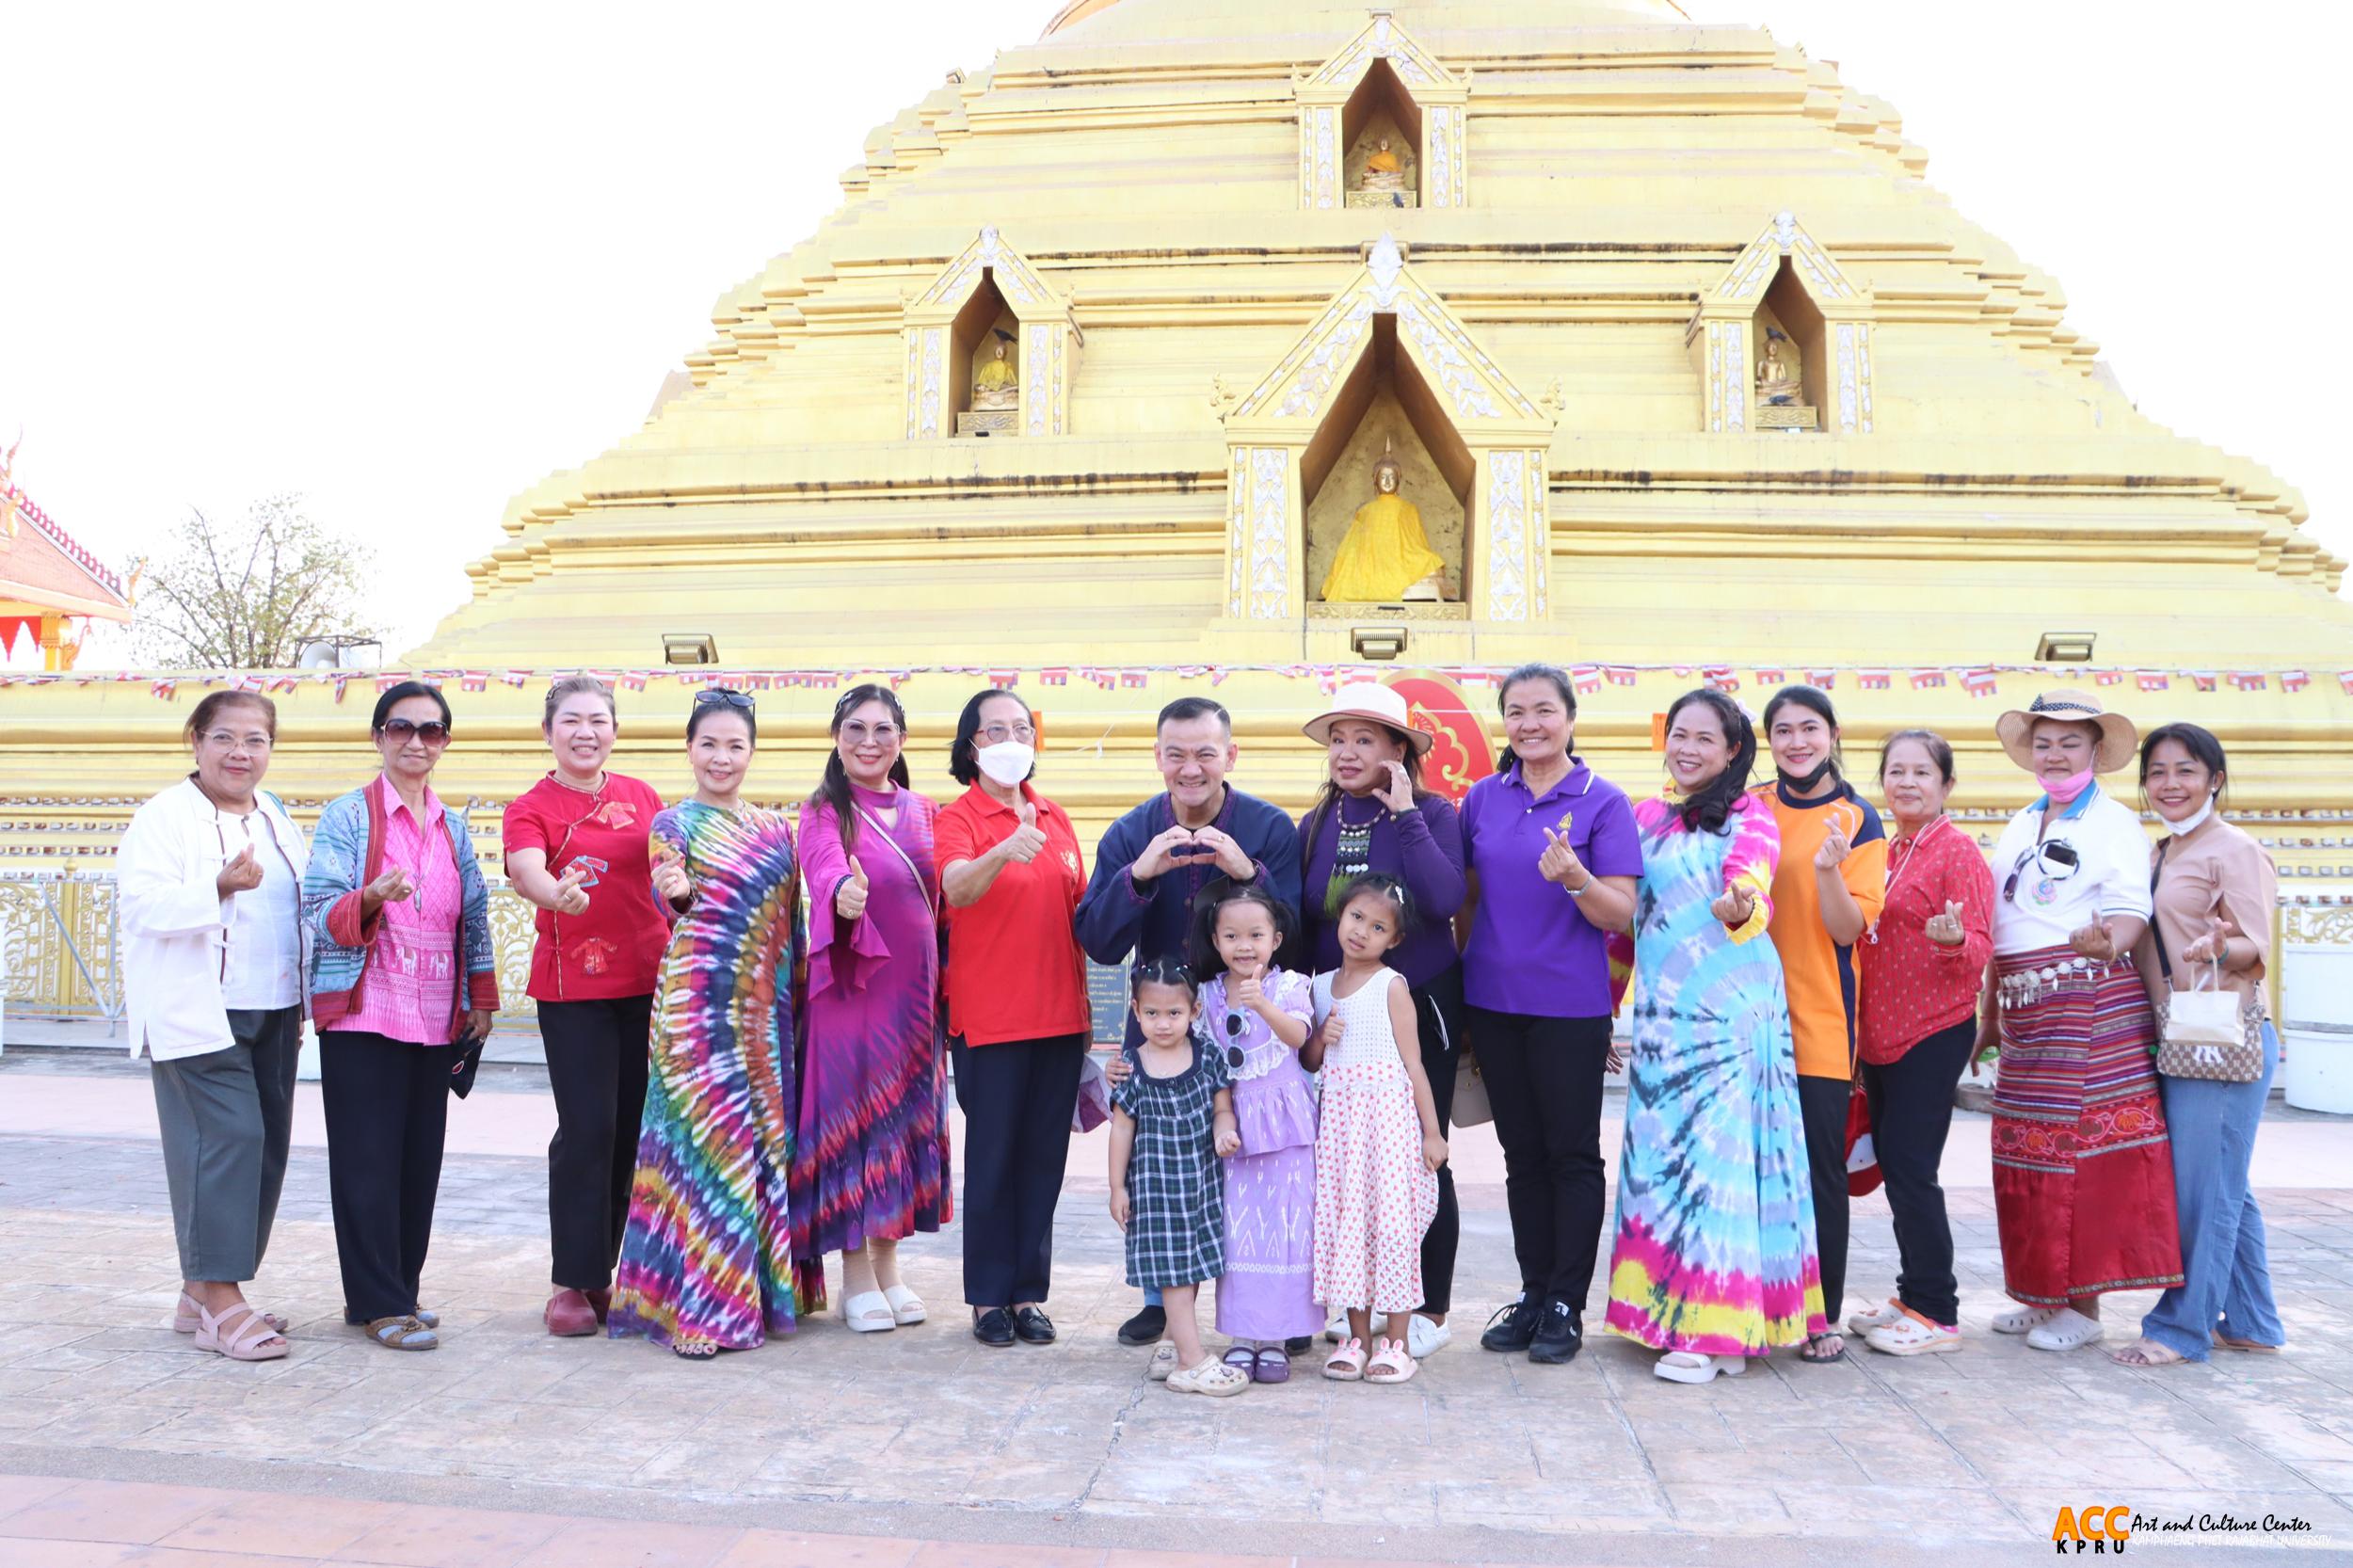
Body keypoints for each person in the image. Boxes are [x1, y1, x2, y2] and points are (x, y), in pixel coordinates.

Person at [1601, 689, 1824, 1384]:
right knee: (1665, 1166)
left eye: (1706, 738)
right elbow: (1624, 926)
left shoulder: (1751, 816)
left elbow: (1750, 884)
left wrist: (1739, 905)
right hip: (1665, 1019)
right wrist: (1606, 1010)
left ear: (1733, 752)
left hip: (1734, 1016)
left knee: (1720, 1169)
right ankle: (1672, 1315)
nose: (1688, 748)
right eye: (1679, 735)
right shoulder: (1642, 819)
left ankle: (1715, 1333)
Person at [1076, 694, 1300, 1349]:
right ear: (1158, 759)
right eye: (1176, 754)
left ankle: (1268, 1299)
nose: (1191, 768)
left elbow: (1298, 928)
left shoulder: (1268, 827)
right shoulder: (1128, 833)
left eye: (1206, 753)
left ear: (1231, 755)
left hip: (1249, 1017)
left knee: (1251, 1157)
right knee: (1159, 1160)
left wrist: (1245, 872)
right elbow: (1100, 941)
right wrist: (1139, 876)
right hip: (1166, 1017)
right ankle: (1161, 1298)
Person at [1982, 690, 2183, 1352]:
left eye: (2070, 742)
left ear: (2096, 752)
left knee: (2082, 1158)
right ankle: (2041, 1296)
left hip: (2089, 999)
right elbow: (2002, 918)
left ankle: (2085, 1308)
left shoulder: (2115, 823)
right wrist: (1987, 1008)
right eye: (2044, 742)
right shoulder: (2019, 824)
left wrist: (2110, 943)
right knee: (2027, 1149)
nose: (2055, 752)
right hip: (2023, 1008)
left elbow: (2131, 913)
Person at [303, 681, 499, 1352]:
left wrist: (481, 998)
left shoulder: (454, 826)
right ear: (378, 737)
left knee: (419, 1162)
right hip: (365, 1011)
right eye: (401, 728)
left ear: (444, 742)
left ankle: (401, 1289)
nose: (416, 742)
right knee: (366, 1162)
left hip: (433, 1014)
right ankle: (376, 1302)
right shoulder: (347, 817)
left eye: (431, 731)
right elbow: (317, 912)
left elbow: (473, 915)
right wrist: (369, 897)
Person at [608, 690, 803, 1358]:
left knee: (763, 1148)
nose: (722, 757)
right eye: (709, 744)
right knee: (710, 1149)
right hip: (695, 1009)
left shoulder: (780, 829)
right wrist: (677, 888)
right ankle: (705, 1312)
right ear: (689, 749)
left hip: (766, 1012)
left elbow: (791, 925)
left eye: (735, 745)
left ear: (751, 753)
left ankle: (762, 1293)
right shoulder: (673, 822)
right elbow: (669, 875)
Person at [1457, 664, 1641, 1367]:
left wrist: (1576, 879)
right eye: (1516, 712)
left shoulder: (1603, 802)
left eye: (1543, 710)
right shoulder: (1482, 798)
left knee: (1571, 1156)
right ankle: (1533, 1292)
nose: (1530, 724)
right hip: (1493, 1002)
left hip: (1569, 1006)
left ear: (1569, 717)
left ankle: (1567, 1301)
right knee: (1521, 1157)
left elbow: (1621, 912)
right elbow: (1467, 902)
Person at [119, 692, 309, 1363]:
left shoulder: (277, 816)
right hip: (196, 1009)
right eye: (224, 738)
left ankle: (199, 1287)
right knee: (227, 1140)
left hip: (275, 1005)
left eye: (255, 740)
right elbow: (141, 907)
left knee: (265, 1149)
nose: (240, 753)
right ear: (195, 741)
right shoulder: (165, 817)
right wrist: (218, 887)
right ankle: (223, 1301)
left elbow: (296, 908)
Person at [1295, 680, 1465, 1359]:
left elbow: (1445, 896)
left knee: (1423, 1157)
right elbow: (1309, 922)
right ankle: (1357, 1307)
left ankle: (1428, 1309)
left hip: (1419, 999)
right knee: (1349, 1161)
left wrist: (1405, 817)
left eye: (1364, 739)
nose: (1346, 752)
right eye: (1338, 739)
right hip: (1340, 1012)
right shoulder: (1315, 824)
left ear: (1399, 750)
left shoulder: (1432, 812)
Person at [502, 674, 670, 1337]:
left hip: (649, 984)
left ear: (614, 731)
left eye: (598, 720)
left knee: (631, 1132)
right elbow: (525, 868)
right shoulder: (531, 805)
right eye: (571, 720)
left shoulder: (643, 797)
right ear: (549, 732)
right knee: (587, 1131)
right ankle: (571, 1281)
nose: (585, 732)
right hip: (576, 990)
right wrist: (553, 895)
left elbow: (671, 865)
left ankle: (607, 1271)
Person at [2112, 724, 2284, 1368]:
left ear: (2214, 777)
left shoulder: (2233, 850)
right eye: (2157, 772)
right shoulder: (2163, 851)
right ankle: (2252, 1320)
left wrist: (2219, 945)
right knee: (2223, 1185)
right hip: (2180, 1037)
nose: (2169, 784)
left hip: (2221, 1040)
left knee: (2204, 1191)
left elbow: (2255, 948)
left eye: (2185, 770)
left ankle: (2181, 1329)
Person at [936, 688, 1090, 1348]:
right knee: (995, 1160)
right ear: (971, 744)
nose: (1010, 739)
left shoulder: (1056, 818)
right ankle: (986, 1300)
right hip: (991, 1021)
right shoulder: (958, 818)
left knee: (1042, 1162)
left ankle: (1028, 1293)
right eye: (993, 729)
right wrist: (1004, 850)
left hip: (1060, 1017)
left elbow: (1080, 912)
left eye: (1021, 728)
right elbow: (956, 888)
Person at [793, 683, 947, 1332]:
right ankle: (855, 1273)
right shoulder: (826, 808)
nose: (869, 742)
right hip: (851, 987)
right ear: (836, 737)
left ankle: (889, 1268)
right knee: (854, 1121)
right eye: (855, 729)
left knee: (900, 1123)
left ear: (902, 741)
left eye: (883, 730)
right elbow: (822, 865)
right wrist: (841, 896)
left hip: (914, 996)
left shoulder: (927, 811)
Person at [1849, 730, 1993, 1356]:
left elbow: (1983, 948)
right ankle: (1911, 1295)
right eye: (1896, 772)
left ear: (1947, 786)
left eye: (1922, 773)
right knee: (1897, 1169)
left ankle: (1938, 1311)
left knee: (1912, 1169)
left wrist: (1952, 940)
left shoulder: (1958, 853)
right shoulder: (1881, 850)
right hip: (1878, 1034)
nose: (1907, 783)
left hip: (1933, 1030)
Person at [1758, 685, 1887, 1364]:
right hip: (1746, 1021)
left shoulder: (1858, 820)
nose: (1796, 742)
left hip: (1819, 1021)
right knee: (1751, 1171)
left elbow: (1847, 928)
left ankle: (1820, 1314)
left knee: (1817, 1176)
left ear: (1833, 734)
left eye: (1809, 728)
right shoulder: (1750, 807)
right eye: (1783, 730)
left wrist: (1830, 870)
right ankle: (1749, 1305)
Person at [1310, 874, 1446, 1385]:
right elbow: (1310, 1059)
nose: (1362, 932)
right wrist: (1322, 1037)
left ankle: (1397, 1342)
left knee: (1391, 1226)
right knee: (1350, 1226)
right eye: (1356, 918)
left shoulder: (1391, 985)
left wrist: (1432, 1133)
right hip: (1341, 1125)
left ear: (1395, 940)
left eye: (1379, 927)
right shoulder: (1319, 986)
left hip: (1388, 1122)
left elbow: (1414, 1065)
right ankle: (1357, 1338)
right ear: (1339, 917)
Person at [1192, 883, 1321, 1382]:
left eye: (1255, 935)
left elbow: (1298, 1037)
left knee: (1287, 1230)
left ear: (1276, 939)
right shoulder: (1206, 995)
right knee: (1240, 1231)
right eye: (1232, 936)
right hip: (1236, 1130)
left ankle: (1277, 1339)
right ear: (1217, 940)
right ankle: (1243, 1336)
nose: (1244, 945)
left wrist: (1262, 1002)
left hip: (1287, 1129)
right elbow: (1204, 1059)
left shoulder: (1291, 987)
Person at [1109, 958, 1246, 1397]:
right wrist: (1117, 1187)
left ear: (1195, 1012)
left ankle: (1171, 1340)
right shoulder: (1133, 1067)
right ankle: (1193, 1361)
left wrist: (1225, 1130)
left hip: (1201, 1185)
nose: (1163, 1024)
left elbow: (1222, 1106)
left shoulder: (1206, 1055)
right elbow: (1121, 1129)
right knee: (1172, 1274)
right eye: (1151, 1014)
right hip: (1156, 1192)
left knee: (1192, 1269)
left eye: (1174, 1014)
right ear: (1135, 1011)